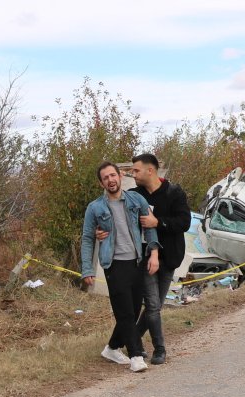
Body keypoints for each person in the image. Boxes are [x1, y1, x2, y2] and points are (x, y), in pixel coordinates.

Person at [81, 162, 159, 373]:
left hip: (136, 261)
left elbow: (150, 227)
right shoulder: (95, 208)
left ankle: (112, 347)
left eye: (113, 175)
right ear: (101, 182)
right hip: (113, 264)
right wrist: (87, 269)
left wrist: (153, 254)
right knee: (123, 311)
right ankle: (135, 355)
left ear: (119, 177)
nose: (110, 180)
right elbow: (87, 238)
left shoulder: (136, 200)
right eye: (105, 178)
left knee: (133, 310)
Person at [130, 153, 192, 365]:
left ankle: (133, 339)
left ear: (151, 170)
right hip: (146, 257)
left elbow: (184, 222)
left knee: (154, 307)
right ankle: (160, 349)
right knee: (153, 305)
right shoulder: (135, 195)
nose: (133, 174)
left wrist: (158, 222)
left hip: (170, 257)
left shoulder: (174, 193)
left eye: (136, 170)